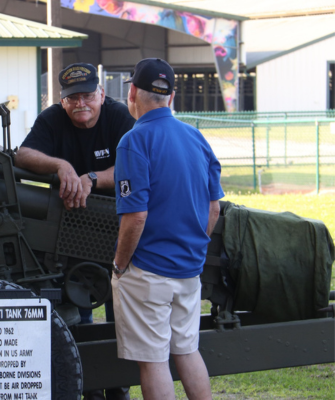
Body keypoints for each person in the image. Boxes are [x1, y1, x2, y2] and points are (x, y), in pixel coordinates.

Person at [15, 62, 134, 400]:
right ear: (62, 101)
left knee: (118, 312)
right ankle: (90, 385)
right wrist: (60, 165)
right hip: (70, 228)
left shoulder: (119, 117)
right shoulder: (53, 118)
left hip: (116, 222)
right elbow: (24, 153)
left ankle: (118, 386)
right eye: (72, 99)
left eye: (87, 96)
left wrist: (93, 178)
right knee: (78, 308)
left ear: (100, 94)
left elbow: (136, 164)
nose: (80, 104)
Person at [112, 58, 223, 400]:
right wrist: (193, 249)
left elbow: (136, 216)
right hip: (189, 269)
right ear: (171, 97)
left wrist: (119, 265)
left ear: (132, 92)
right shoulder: (196, 137)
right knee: (187, 351)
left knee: (154, 361)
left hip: (148, 271)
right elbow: (214, 208)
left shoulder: (134, 141)